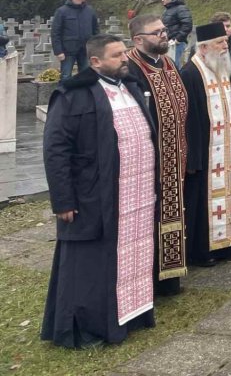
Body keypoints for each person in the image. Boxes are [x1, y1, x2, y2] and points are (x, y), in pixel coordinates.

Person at [42, 34, 156, 348]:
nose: (125, 59)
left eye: (124, 53)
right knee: (89, 263)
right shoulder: (72, 94)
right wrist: (62, 199)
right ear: (95, 62)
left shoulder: (131, 86)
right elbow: (55, 150)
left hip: (135, 196)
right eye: (117, 55)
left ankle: (131, 313)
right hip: (92, 195)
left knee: (130, 255)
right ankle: (85, 327)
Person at [126, 14, 189, 296]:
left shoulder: (168, 62)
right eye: (157, 32)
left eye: (164, 30)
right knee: (148, 221)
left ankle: (169, 279)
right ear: (138, 40)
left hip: (174, 158)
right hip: (147, 162)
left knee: (172, 215)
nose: (164, 35)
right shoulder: (130, 69)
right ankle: (147, 280)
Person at [180, 23, 231, 267]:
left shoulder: (222, 68)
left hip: (226, 150)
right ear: (204, 47)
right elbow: (188, 119)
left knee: (228, 198)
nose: (225, 45)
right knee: (203, 202)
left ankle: (227, 244)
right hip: (205, 153)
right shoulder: (190, 73)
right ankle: (202, 251)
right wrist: (192, 156)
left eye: (225, 41)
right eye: (220, 42)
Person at [51, 0, 99, 81]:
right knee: (66, 76)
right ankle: (64, 95)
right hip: (68, 50)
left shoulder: (89, 10)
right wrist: (58, 51)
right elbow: (55, 32)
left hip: (85, 49)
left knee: (85, 75)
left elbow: (96, 30)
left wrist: (95, 47)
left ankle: (84, 95)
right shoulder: (62, 11)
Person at [160, 0, 193, 66]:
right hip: (169, 42)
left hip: (177, 43)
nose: (162, 0)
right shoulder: (167, 10)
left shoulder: (181, 8)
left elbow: (187, 25)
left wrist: (178, 39)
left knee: (175, 65)